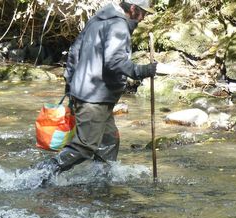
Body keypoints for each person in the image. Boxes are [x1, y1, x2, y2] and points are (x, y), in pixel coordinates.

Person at [34, 0, 157, 181]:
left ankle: (100, 181)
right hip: (95, 98)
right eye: (143, 13)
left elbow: (75, 51)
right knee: (85, 146)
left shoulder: (98, 19)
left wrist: (70, 85)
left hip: (87, 92)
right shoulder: (119, 26)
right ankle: (38, 174)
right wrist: (142, 71)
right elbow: (114, 61)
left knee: (109, 140)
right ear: (132, 9)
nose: (143, 18)